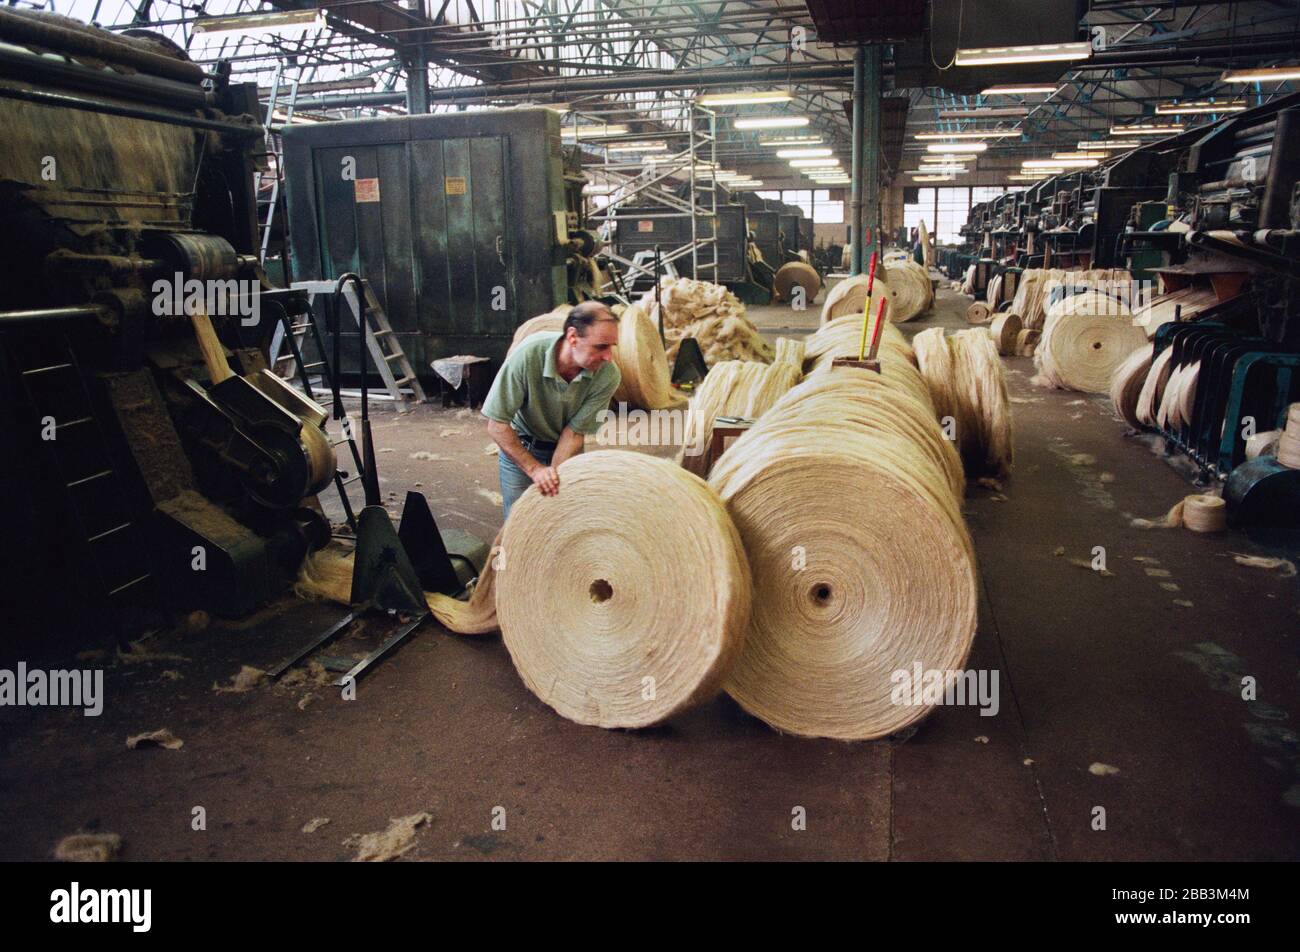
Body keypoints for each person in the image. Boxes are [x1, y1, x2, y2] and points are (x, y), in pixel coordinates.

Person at [481, 301, 621, 520]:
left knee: (562, 518)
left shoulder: (608, 375)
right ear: (573, 337)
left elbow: (573, 433)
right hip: (522, 445)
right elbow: (497, 425)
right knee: (521, 523)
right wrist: (535, 470)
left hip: (566, 448)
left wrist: (553, 478)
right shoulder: (528, 355)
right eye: (601, 347)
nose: (609, 357)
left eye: (612, 346)